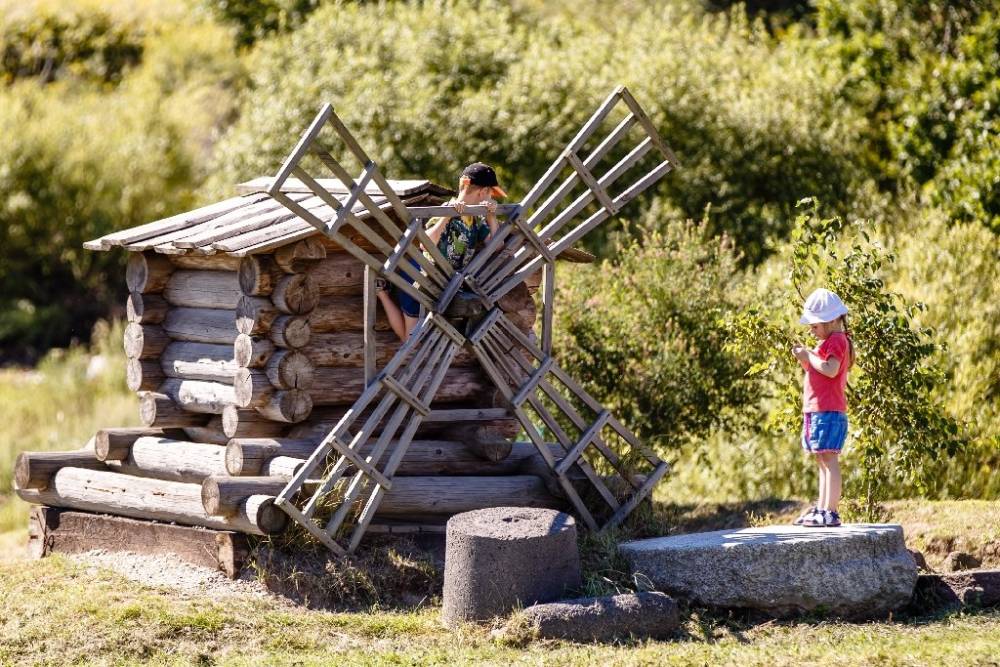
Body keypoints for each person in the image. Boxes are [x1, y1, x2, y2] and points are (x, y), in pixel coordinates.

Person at [376, 162, 506, 341]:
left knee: (413, 338)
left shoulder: (477, 219)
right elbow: (426, 242)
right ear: (483, 192)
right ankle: (382, 293)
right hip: (420, 276)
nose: (492, 199)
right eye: (491, 194)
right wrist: (448, 214)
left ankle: (383, 292)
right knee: (410, 339)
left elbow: (497, 246)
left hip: (442, 282)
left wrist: (492, 218)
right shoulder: (446, 208)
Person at [791, 288, 854, 528]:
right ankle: (822, 507)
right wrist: (806, 358)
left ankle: (831, 511)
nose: (811, 330)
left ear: (831, 321)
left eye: (815, 325)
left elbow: (830, 369)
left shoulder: (837, 340)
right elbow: (819, 370)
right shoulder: (827, 342)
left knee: (829, 460)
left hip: (828, 410)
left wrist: (809, 354)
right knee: (822, 459)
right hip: (818, 410)